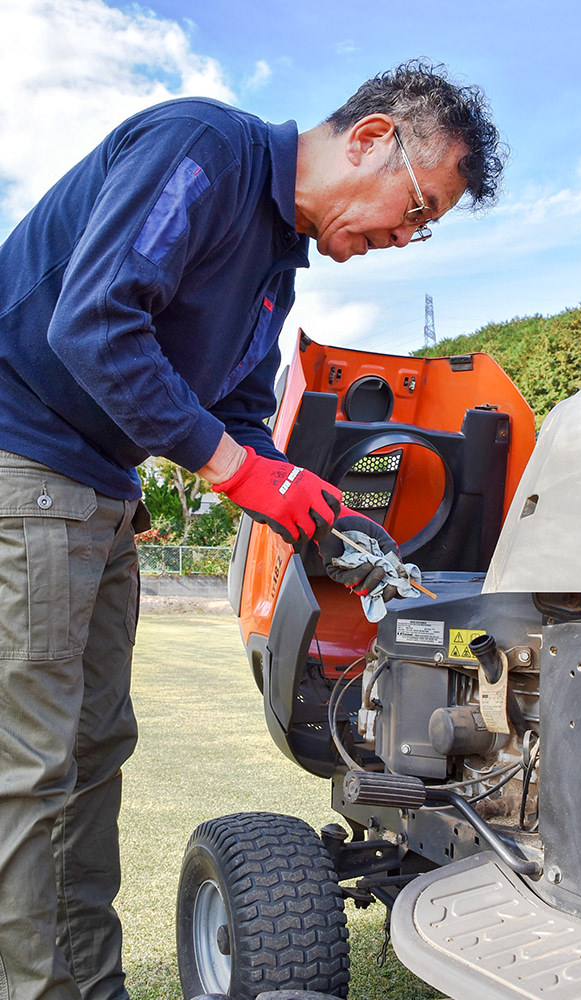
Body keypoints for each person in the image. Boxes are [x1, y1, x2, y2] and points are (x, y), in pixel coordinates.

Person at [0, 59, 505, 1000]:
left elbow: (234, 414)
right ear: (369, 139)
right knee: (34, 764)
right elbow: (95, 325)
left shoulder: (275, 271)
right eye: (418, 207)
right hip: (28, 461)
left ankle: (88, 985)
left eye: (426, 226)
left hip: (103, 490)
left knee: (94, 750)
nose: (407, 236)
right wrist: (241, 472)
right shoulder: (203, 151)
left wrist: (306, 497)